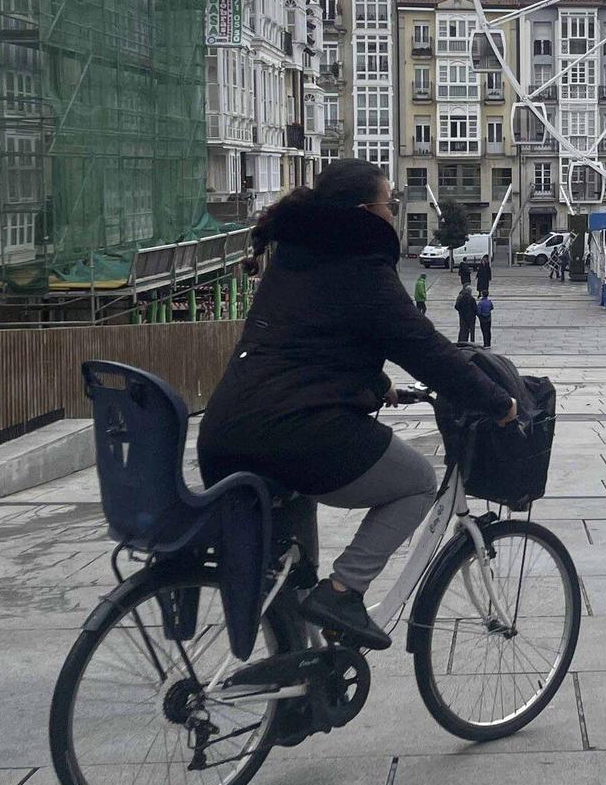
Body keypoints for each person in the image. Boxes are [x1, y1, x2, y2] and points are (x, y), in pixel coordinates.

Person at [196, 161, 516, 650]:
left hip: (226, 432)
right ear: (366, 212)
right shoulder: (361, 264)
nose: (392, 212)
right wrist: (500, 403)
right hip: (295, 434)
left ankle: (293, 693)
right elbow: (426, 349)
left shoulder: (295, 255)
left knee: (291, 570)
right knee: (415, 482)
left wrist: (372, 382)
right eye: (389, 203)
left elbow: (308, 342)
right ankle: (345, 592)